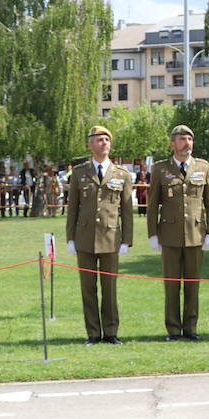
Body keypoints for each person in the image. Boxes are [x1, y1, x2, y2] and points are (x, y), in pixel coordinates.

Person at [147, 125, 209, 342]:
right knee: (171, 285)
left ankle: (190, 327)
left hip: (196, 234)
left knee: (192, 285)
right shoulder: (161, 169)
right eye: (181, 139)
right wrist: (153, 233)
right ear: (172, 143)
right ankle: (173, 330)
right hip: (169, 235)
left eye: (189, 139)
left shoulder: (203, 167)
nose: (186, 143)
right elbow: (153, 205)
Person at [65, 125, 135, 345]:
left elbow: (127, 210)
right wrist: (70, 238)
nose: (104, 143)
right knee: (88, 289)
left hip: (111, 238)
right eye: (99, 139)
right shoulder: (79, 173)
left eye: (107, 139)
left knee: (109, 288)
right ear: (90, 144)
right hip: (84, 238)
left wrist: (127, 240)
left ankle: (111, 332)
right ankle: (93, 333)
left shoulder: (121, 174)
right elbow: (73, 207)